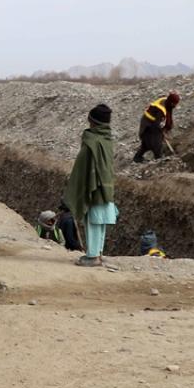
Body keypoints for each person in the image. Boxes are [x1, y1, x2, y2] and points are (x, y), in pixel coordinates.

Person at [63, 104, 118, 267]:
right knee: (100, 221)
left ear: (93, 122)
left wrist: (78, 188)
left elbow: (82, 169)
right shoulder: (107, 140)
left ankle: (92, 256)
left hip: (94, 188)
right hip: (106, 187)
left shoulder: (91, 142)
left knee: (93, 221)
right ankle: (99, 253)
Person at [133, 90, 180, 163]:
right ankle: (158, 159)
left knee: (148, 142)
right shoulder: (161, 110)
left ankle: (137, 158)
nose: (175, 106)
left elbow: (168, 115)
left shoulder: (166, 101)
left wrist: (168, 127)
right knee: (156, 142)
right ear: (171, 103)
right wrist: (162, 133)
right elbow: (157, 125)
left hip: (152, 122)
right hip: (147, 124)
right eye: (174, 104)